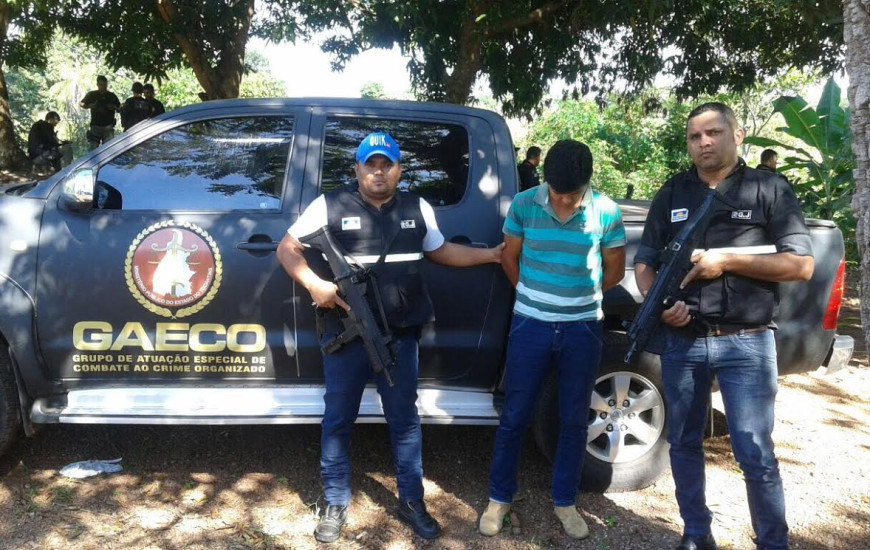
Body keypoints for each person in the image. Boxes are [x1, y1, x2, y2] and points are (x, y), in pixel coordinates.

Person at [276, 131, 503, 544]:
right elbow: (287, 247)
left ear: (399, 169)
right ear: (357, 169)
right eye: (370, 164)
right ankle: (334, 501)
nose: (378, 172)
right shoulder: (329, 204)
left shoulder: (417, 207)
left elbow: (440, 250)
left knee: (404, 421)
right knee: (338, 418)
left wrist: (490, 255)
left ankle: (411, 500)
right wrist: (314, 285)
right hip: (346, 334)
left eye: (387, 164)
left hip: (399, 336)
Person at [633, 102, 813, 550]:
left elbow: (802, 265)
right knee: (684, 444)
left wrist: (726, 261)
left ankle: (773, 541)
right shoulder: (673, 192)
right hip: (682, 341)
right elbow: (643, 262)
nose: (704, 143)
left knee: (755, 453)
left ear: (737, 133)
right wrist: (662, 307)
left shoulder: (769, 189)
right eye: (695, 137)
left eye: (713, 133)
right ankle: (696, 534)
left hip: (747, 342)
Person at [479, 139, 626, 540]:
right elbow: (509, 257)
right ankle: (498, 498)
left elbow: (614, 269)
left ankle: (565, 501)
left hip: (582, 328)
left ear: (587, 183)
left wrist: (582, 299)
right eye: (556, 192)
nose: (562, 200)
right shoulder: (525, 204)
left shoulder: (607, 211)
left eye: (571, 193)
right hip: (530, 326)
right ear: (544, 180)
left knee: (574, 420)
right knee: (514, 416)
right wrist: (532, 296)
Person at [79, 75, 120, 150]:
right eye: (101, 84)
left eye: (104, 85)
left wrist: (113, 107)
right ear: (97, 85)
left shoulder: (111, 96)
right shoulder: (92, 94)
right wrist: (89, 106)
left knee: (108, 150)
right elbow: (81, 103)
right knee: (93, 150)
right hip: (95, 126)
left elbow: (119, 108)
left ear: (107, 85)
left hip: (108, 126)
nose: (103, 87)